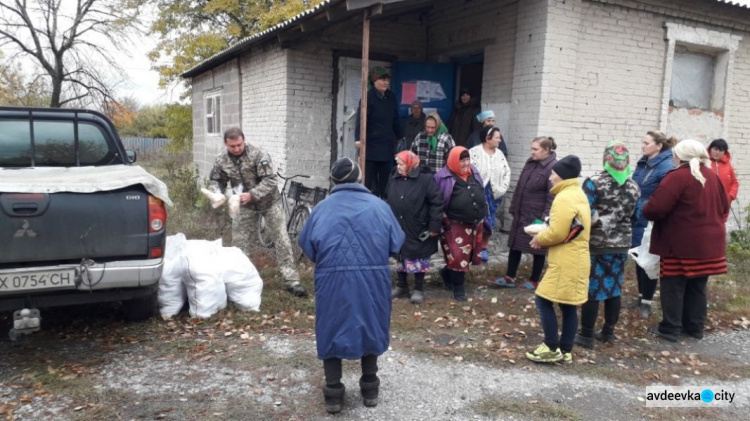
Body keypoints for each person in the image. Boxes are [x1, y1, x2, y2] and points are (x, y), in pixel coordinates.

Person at [298, 157, 405, 414]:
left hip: (332, 281)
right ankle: (370, 387)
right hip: (373, 280)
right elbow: (397, 243)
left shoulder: (321, 209)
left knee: (331, 327)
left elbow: (308, 246)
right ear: (359, 178)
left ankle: (333, 392)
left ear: (334, 180)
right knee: (371, 324)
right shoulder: (380, 207)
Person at [644, 139, 729, 342]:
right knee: (697, 286)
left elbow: (655, 208)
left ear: (680, 156)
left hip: (680, 243)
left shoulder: (678, 177)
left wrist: (644, 207)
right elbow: (724, 207)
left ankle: (670, 328)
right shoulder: (712, 176)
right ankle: (694, 327)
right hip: (709, 244)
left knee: (673, 284)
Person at [208, 127, 307, 297]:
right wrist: (216, 193)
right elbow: (217, 180)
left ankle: (292, 281)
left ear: (244, 140)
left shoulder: (259, 155)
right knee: (239, 244)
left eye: (239, 144)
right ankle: (241, 281)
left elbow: (270, 180)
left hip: (269, 203)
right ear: (226, 144)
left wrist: (252, 194)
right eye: (233, 146)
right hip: (244, 206)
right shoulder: (221, 160)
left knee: (281, 239)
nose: (237, 149)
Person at [574, 141, 640, 349]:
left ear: (606, 159)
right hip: (621, 245)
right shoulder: (634, 186)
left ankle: (586, 335)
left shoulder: (594, 183)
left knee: (593, 288)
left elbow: (585, 213)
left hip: (597, 244)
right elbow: (635, 217)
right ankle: (608, 332)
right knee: (614, 288)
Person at [526, 155, 591, 364]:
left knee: (543, 299)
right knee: (568, 305)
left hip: (566, 260)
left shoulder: (564, 198)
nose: (551, 177)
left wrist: (539, 238)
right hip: (578, 258)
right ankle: (566, 349)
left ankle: (551, 346)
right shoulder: (578, 194)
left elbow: (558, 232)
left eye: (553, 173)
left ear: (562, 175)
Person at [492, 136, 558, 290]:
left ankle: (534, 280)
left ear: (546, 150)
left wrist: (544, 219)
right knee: (515, 244)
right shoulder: (530, 163)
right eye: (532, 148)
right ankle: (510, 276)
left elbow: (552, 196)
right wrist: (514, 206)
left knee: (538, 248)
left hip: (536, 215)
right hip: (522, 212)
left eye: (535, 149)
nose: (532, 152)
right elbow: (520, 186)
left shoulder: (552, 168)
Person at [386, 151, 443, 304]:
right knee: (400, 256)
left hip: (419, 225)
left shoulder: (425, 179)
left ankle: (418, 288)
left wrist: (434, 226)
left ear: (410, 164)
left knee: (419, 256)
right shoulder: (394, 176)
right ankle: (402, 286)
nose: (398, 167)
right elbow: (388, 196)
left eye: (401, 164)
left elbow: (436, 203)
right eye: (397, 164)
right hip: (398, 225)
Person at [632, 131, 676, 318]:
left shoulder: (666, 166)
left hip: (651, 218)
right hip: (637, 215)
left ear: (658, 146)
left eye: (646, 142)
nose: (642, 145)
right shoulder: (643, 162)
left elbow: (663, 194)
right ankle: (641, 296)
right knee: (638, 257)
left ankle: (647, 303)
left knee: (649, 261)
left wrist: (648, 207)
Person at [434, 147, 487, 301]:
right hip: (454, 223)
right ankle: (459, 289)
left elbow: (481, 190)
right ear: (452, 160)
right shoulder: (442, 177)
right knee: (458, 256)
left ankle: (446, 273)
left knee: (469, 255)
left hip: (475, 222)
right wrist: (441, 217)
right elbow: (436, 200)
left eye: (467, 159)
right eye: (461, 160)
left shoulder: (474, 172)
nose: (465, 163)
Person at [355, 66, 401, 198]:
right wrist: (358, 139)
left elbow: (395, 119)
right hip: (371, 148)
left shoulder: (391, 97)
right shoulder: (368, 97)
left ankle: (383, 206)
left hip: (386, 147)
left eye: (387, 79)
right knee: (368, 184)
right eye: (382, 79)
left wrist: (400, 136)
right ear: (374, 80)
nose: (385, 82)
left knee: (386, 184)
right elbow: (360, 120)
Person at [469, 126, 511, 260]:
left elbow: (506, 173)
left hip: (493, 194)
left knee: (489, 223)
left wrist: (502, 188)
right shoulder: (473, 152)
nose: (500, 140)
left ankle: (484, 248)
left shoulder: (499, 154)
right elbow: (466, 171)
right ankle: (472, 248)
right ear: (488, 138)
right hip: (476, 194)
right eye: (497, 137)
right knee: (475, 222)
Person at [707, 138, 739, 207]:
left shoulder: (728, 165)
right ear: (710, 149)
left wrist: (730, 196)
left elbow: (735, 182)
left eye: (721, 150)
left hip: (723, 203)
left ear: (724, 152)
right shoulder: (704, 162)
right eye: (715, 149)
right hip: (707, 203)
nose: (717, 152)